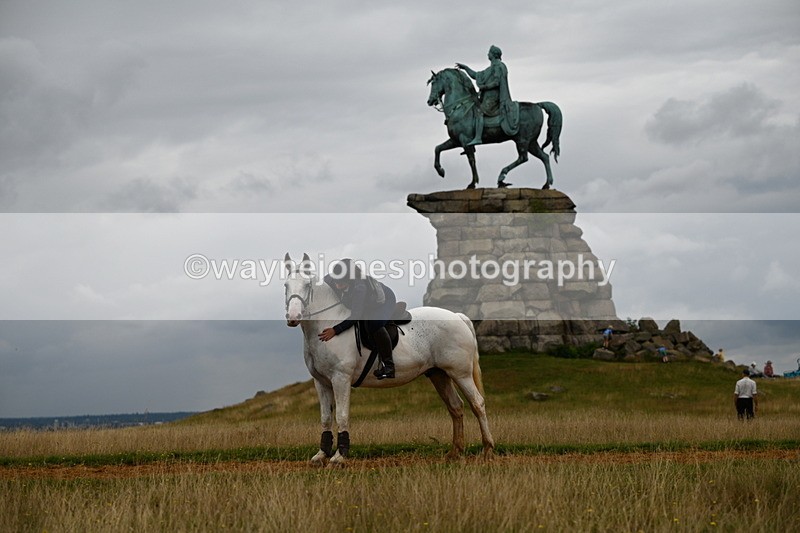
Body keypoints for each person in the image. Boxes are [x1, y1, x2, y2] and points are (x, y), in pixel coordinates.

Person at [317, 259, 397, 379]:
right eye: (336, 281)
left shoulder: (359, 288)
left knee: (374, 325)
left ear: (350, 279)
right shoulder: (331, 278)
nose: (337, 285)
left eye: (341, 283)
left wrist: (335, 330)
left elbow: (356, 316)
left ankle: (389, 366)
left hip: (384, 301)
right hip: (363, 302)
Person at [455, 45, 519, 145]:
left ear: (493, 54)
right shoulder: (490, 68)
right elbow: (476, 75)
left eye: (489, 52)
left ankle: (478, 137)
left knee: (479, 111)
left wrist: (485, 87)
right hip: (487, 97)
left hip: (494, 98)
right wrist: (465, 68)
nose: (487, 54)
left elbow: (497, 82)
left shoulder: (498, 66)